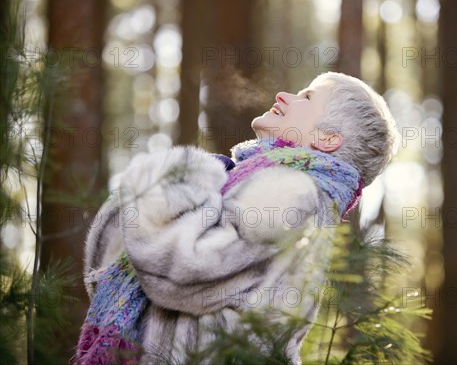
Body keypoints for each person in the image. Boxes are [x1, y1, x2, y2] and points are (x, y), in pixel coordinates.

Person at [75, 72, 397, 364]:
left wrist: (167, 181)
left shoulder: (292, 192)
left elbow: (185, 269)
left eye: (308, 97)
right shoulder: (265, 183)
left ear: (327, 138)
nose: (285, 96)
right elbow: (114, 266)